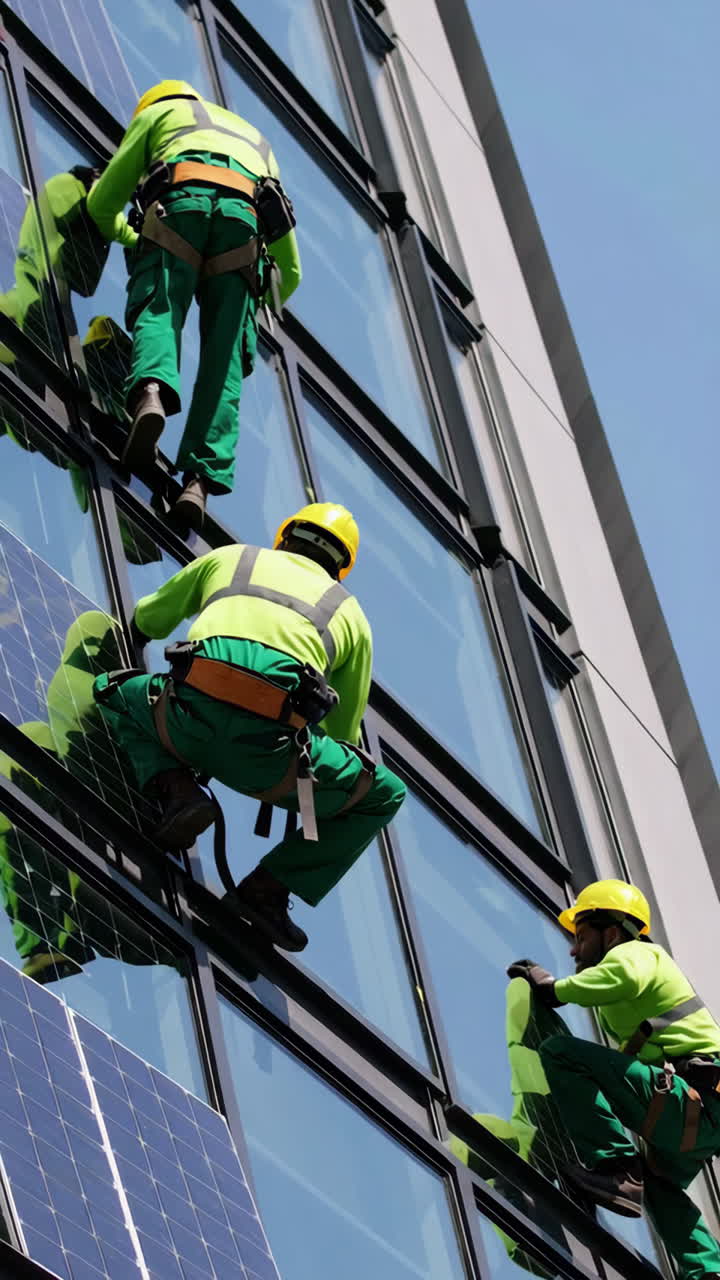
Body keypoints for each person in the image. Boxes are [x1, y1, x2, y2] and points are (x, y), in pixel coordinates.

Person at [93, 503, 406, 952]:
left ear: (284, 536)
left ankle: (177, 790)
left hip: (182, 725)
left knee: (111, 689)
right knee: (384, 794)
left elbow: (148, 619)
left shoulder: (232, 558)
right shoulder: (350, 614)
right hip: (269, 762)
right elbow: (340, 732)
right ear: (342, 567)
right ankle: (266, 890)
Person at [86, 79, 302, 529]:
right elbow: (291, 272)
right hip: (245, 234)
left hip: (177, 207)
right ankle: (198, 482)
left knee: (160, 307)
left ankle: (150, 394)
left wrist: (133, 236)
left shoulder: (158, 116)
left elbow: (102, 204)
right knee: (224, 360)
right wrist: (253, 295)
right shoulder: (258, 142)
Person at [508, 879, 720, 1280]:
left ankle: (618, 1171)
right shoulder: (631, 1001)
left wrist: (554, 990)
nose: (573, 949)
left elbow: (620, 978)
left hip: (696, 1099)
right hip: (699, 1110)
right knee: (658, 1184)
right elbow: (622, 1070)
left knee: (560, 1053)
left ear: (612, 932)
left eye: (581, 936)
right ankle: (707, 1272)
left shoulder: (638, 954)